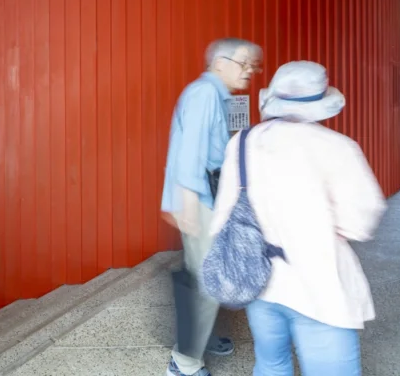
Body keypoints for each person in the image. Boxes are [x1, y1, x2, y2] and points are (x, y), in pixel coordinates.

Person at [210, 61, 386, 376]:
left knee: (271, 364)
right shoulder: (338, 148)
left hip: (259, 279)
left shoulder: (243, 141)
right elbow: (360, 221)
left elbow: (222, 213)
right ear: (322, 103)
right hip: (318, 282)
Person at [161, 38, 264, 376]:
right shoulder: (205, 93)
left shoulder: (215, 95)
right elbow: (189, 151)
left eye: (253, 64)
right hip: (200, 200)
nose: (250, 70)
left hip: (209, 199)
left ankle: (198, 340)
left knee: (208, 272)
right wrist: (187, 203)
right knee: (206, 280)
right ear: (220, 62)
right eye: (244, 63)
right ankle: (184, 361)